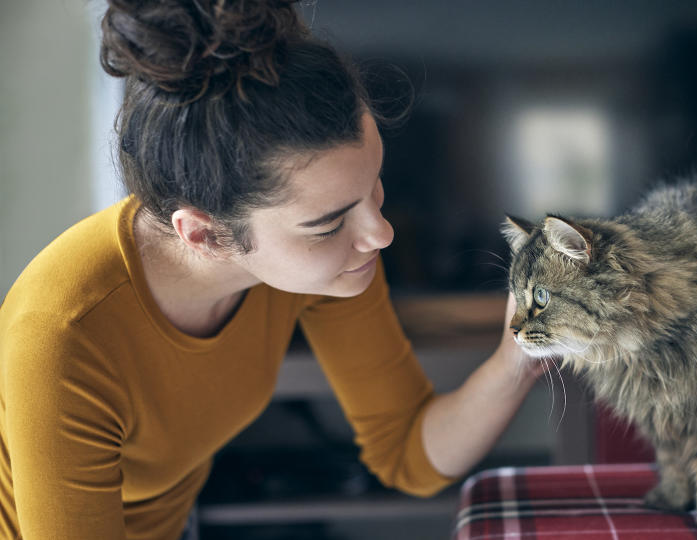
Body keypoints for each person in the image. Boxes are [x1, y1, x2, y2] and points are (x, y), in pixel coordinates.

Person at [0, 1, 540, 538]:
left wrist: (515, 360)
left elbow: (411, 454)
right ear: (205, 233)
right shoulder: (63, 336)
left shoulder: (325, 266)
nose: (380, 234)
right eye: (328, 224)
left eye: (373, 186)